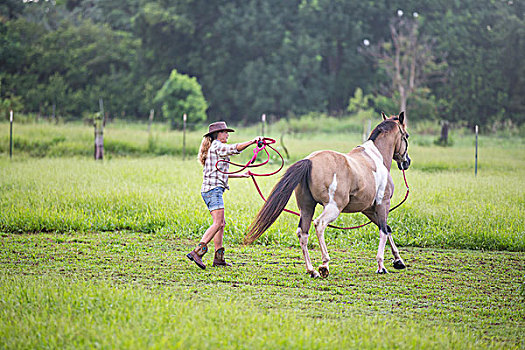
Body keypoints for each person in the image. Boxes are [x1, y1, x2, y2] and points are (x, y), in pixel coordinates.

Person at [187, 121, 261, 269]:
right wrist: (252, 141)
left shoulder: (214, 148)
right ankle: (197, 252)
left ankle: (218, 259)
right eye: (225, 132)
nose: (227, 134)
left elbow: (221, 173)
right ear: (217, 134)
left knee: (221, 224)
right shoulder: (217, 146)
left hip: (212, 190)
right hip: (213, 191)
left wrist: (241, 175)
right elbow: (234, 148)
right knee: (218, 223)